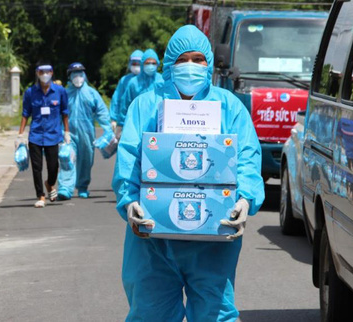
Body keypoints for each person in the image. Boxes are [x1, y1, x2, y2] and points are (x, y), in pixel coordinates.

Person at [112, 25, 265, 321]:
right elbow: (129, 158)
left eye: (199, 59)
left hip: (213, 238)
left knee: (215, 313)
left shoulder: (228, 106)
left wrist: (245, 199)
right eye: (183, 60)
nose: (191, 66)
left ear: (209, 63)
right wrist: (130, 202)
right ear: (170, 63)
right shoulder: (146, 105)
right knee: (149, 312)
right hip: (152, 239)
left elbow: (247, 156)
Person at [56, 62, 113, 200]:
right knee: (66, 157)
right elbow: (55, 113)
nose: (78, 77)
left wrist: (107, 130)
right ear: (69, 76)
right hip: (68, 132)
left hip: (87, 133)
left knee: (86, 160)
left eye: (80, 73)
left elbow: (101, 112)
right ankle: (65, 188)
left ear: (84, 75)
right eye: (74, 74)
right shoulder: (64, 93)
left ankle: (82, 186)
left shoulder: (91, 93)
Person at [17, 63, 70, 208]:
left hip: (53, 134)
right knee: (36, 167)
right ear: (37, 73)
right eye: (42, 72)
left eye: (47, 71)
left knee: (53, 167)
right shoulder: (30, 92)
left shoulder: (60, 91)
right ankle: (40, 195)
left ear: (52, 73)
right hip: (36, 134)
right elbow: (25, 114)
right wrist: (20, 134)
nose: (45, 74)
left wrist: (67, 132)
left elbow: (64, 113)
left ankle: (50, 183)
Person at [118, 48, 163, 127]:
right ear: (142, 64)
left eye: (153, 63)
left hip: (158, 123)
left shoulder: (162, 81)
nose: (150, 66)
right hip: (136, 122)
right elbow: (125, 104)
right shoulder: (134, 82)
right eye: (148, 63)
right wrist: (121, 124)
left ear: (157, 64)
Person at [110, 50, 143, 136]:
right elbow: (116, 99)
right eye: (134, 64)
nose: (136, 66)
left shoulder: (150, 81)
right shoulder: (124, 80)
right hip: (125, 119)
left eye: (139, 64)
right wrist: (114, 118)